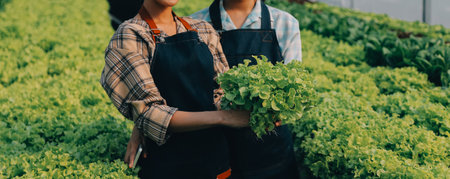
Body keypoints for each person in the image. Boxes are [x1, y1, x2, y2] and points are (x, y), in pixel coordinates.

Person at [100, 0, 250, 178]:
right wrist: (223, 117)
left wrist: (256, 108)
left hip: (216, 163)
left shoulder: (202, 29)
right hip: (167, 166)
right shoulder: (130, 36)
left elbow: (221, 93)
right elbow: (149, 113)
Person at [191, 0, 302, 178]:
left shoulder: (285, 23)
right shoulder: (193, 25)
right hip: (214, 152)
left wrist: (279, 110)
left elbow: (293, 93)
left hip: (272, 156)